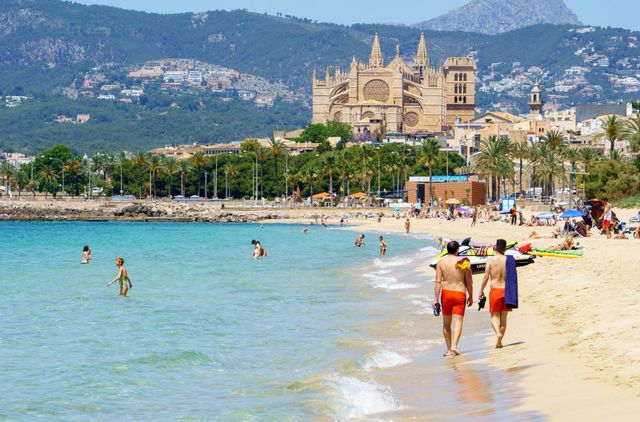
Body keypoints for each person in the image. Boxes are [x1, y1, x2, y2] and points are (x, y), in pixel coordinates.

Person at [433, 241, 474, 357]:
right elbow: (469, 282)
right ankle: (454, 345)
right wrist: (471, 296)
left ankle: (449, 350)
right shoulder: (463, 261)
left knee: (446, 323)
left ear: (447, 250)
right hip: (459, 293)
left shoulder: (441, 262)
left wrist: (436, 299)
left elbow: (438, 282)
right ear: (457, 250)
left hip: (446, 294)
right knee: (458, 321)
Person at [479, 239, 512, 348]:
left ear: (496, 247)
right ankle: (499, 342)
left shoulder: (490, 260)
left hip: (495, 290)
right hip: (506, 291)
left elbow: (486, 277)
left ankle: (497, 333)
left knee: (494, 316)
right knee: (503, 318)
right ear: (505, 248)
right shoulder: (508, 260)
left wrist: (481, 290)